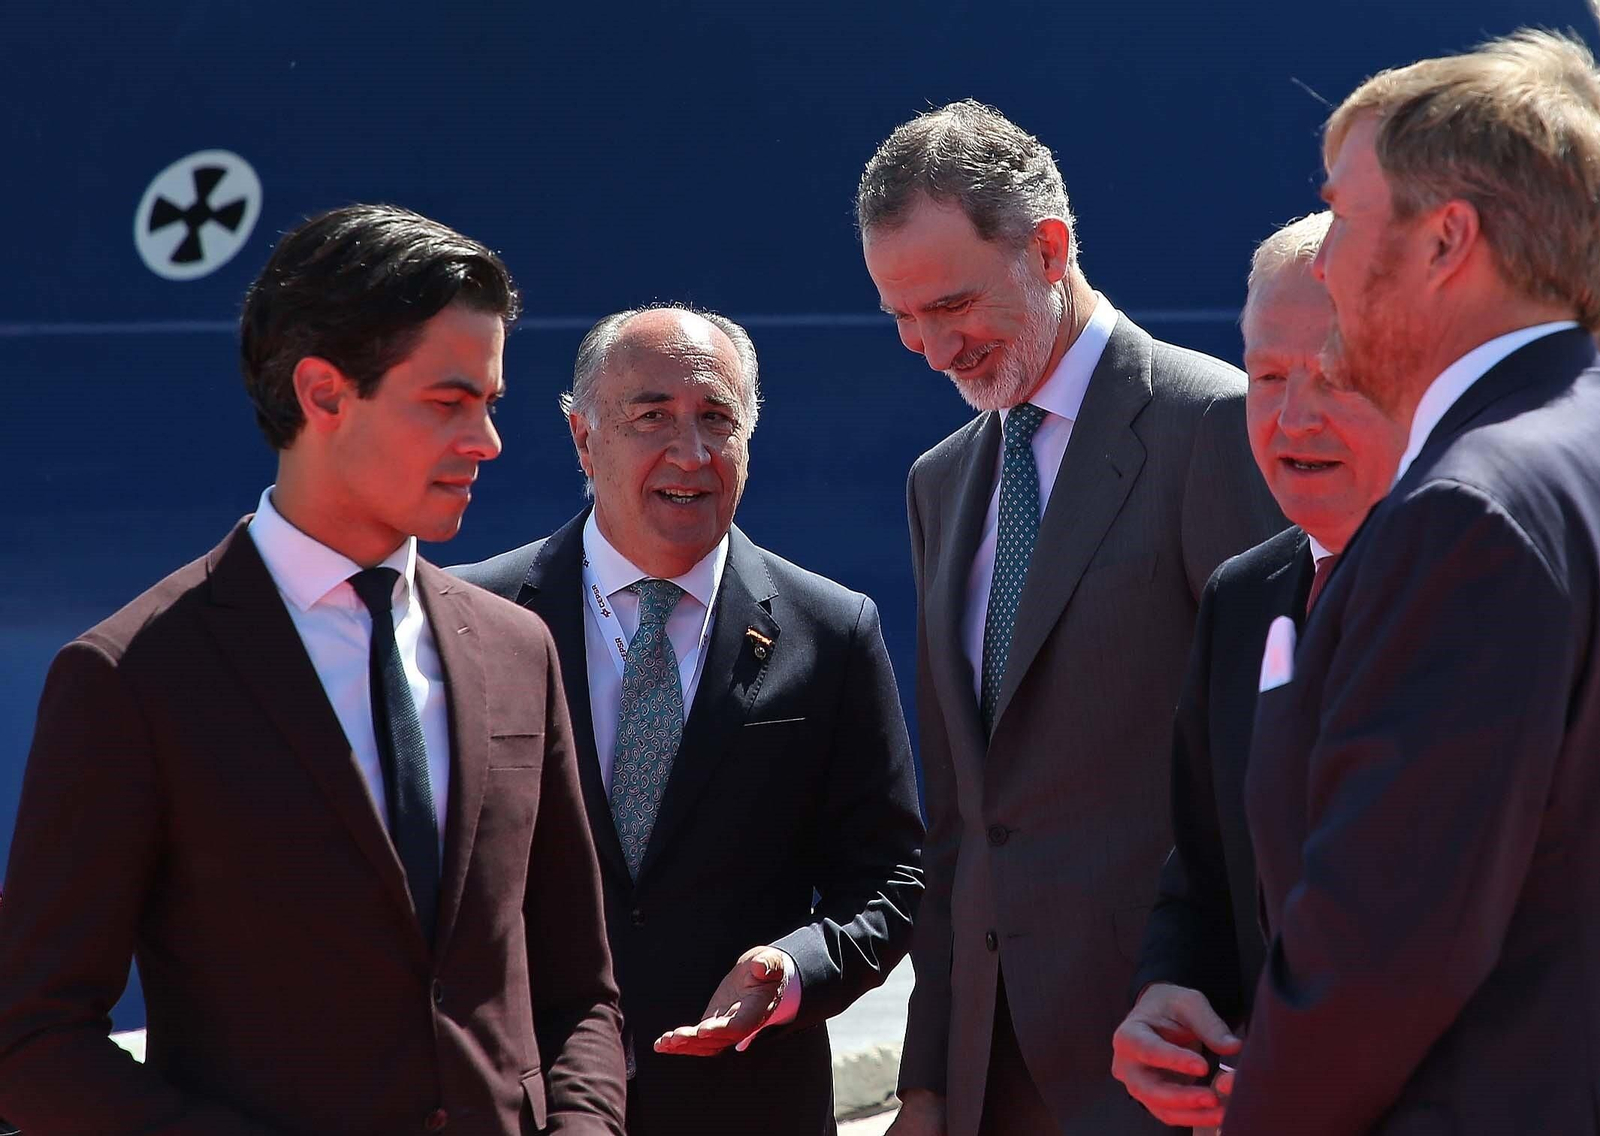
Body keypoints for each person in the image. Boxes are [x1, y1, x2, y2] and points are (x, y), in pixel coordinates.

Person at [0, 204, 627, 1135]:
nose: (488, 441)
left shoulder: (515, 650)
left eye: (490, 403)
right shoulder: (132, 677)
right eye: (448, 402)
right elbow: (33, 1043)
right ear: (324, 394)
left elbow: (581, 993)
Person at [857, 100, 1284, 1135]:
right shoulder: (940, 482)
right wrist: (928, 1082)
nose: (930, 348)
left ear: (1048, 249)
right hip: (987, 1073)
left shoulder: (1214, 425)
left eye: (951, 304)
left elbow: (1270, 775)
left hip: (1168, 1057)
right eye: (901, 316)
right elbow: (964, 811)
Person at [1226, 31, 1600, 1135]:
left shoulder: (1465, 513)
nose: (1324, 262)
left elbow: (1377, 953)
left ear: (1446, 240)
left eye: (1342, 215)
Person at [452, 304, 924, 1135]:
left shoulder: (831, 631)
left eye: (716, 419)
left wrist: (790, 970)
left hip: (746, 1103)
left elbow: (889, 878)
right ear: (582, 438)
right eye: (652, 418)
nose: (691, 453)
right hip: (521, 1103)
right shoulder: (470, 619)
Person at [1110, 211, 1406, 1130]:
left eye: (1336, 375)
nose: (1293, 416)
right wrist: (1171, 990)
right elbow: (1207, 870)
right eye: (1269, 377)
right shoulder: (1244, 597)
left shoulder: (1514, 594)